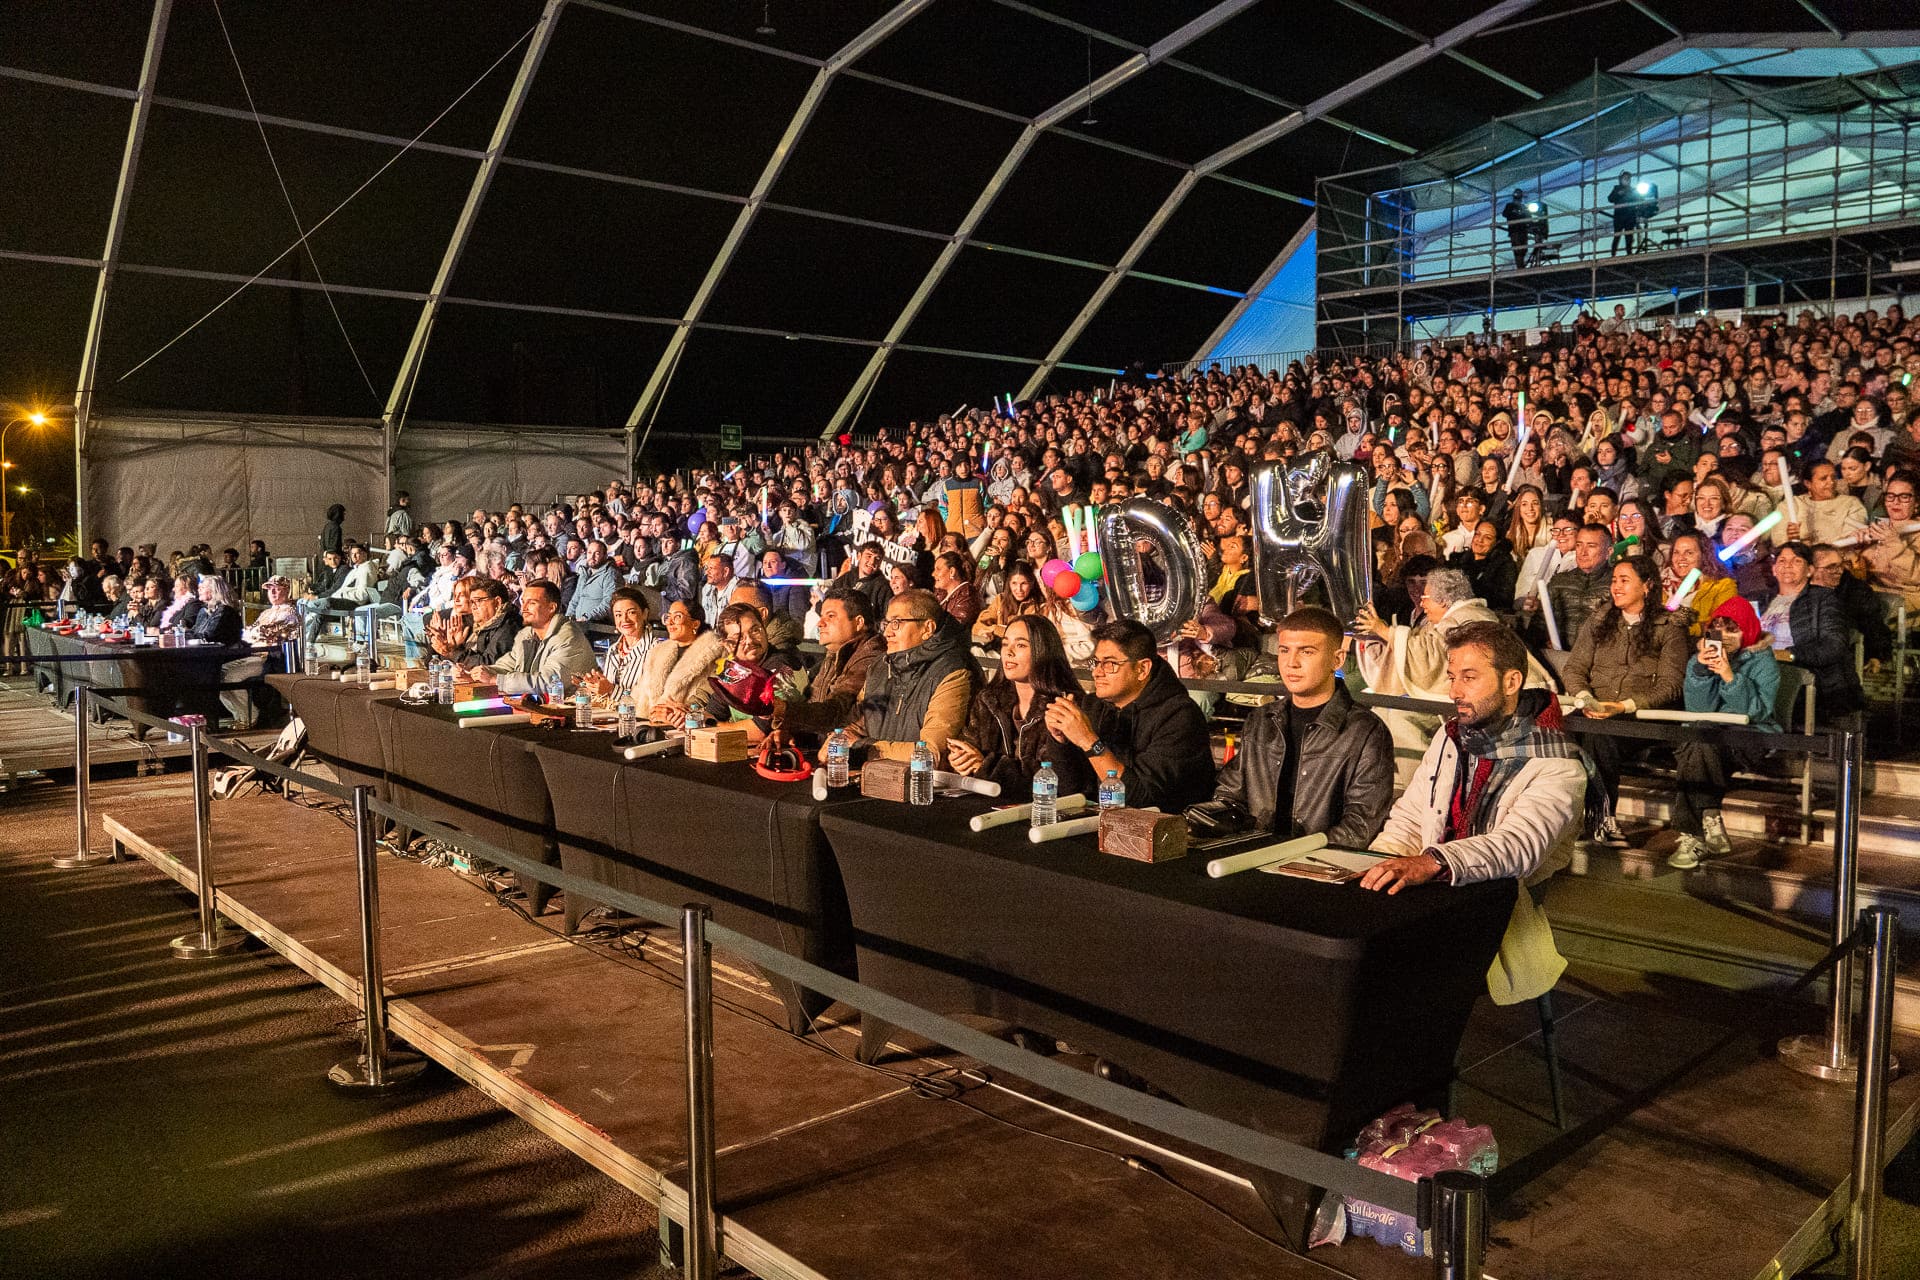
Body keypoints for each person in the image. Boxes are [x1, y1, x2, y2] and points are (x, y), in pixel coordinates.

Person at [1363, 621, 1589, 904]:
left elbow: (1519, 848)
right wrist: (1378, 868)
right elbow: (1409, 818)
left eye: (1469, 678)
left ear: (1511, 682)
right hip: (1430, 898)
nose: (1454, 692)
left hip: (1502, 914)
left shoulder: (1558, 763)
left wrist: (1433, 862)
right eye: (1452, 677)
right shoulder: (1450, 738)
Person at [1185, 607, 1394, 846]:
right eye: (1284, 650)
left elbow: (1360, 826)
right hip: (1253, 856)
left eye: (1307, 651)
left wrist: (1289, 852)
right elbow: (1230, 795)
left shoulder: (1365, 731)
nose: (1291, 663)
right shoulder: (1261, 720)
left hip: (1320, 865)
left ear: (1337, 659)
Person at [1562, 557, 1689, 843]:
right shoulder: (1599, 621)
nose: (1615, 586)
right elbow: (1574, 668)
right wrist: (1585, 698)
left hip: (1639, 716)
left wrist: (1623, 706)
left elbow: (1671, 686)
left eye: (1624, 580)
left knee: (1601, 736)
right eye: (1614, 580)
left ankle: (1601, 819)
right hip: (1592, 709)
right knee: (1556, 731)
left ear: (1646, 586)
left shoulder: (1669, 627)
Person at [1042, 618, 1215, 811]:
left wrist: (1089, 742)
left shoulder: (1180, 717)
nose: (1097, 672)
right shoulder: (1092, 706)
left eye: (1109, 664)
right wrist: (1061, 742)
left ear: (1142, 669)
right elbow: (1071, 792)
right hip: (1095, 826)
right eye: (1096, 662)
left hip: (1166, 832)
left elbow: (1142, 799)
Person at [1669, 598, 1779, 869]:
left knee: (1696, 744)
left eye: (1733, 630)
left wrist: (1730, 677)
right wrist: (1701, 673)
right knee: (1699, 739)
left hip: (1750, 736)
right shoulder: (1701, 660)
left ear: (1748, 631)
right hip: (1710, 737)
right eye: (1718, 629)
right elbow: (1698, 710)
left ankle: (1695, 831)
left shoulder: (1765, 662)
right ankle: (1705, 820)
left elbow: (1757, 712)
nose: (1725, 637)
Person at [947, 615, 1096, 801]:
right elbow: (971, 748)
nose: (1008, 652)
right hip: (989, 805)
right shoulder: (989, 699)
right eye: (1004, 644)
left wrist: (986, 766)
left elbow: (1053, 781)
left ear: (1042, 650)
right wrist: (961, 759)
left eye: (1020, 645)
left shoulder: (1065, 705)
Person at [840, 588, 980, 767]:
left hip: (924, 788)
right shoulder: (881, 667)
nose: (887, 633)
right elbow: (858, 722)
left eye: (897, 623)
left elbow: (930, 754)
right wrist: (838, 740)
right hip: (878, 780)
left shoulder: (953, 671)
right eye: (887, 623)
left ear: (927, 628)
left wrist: (863, 747)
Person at [1758, 542, 1863, 722]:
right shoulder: (1760, 600)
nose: (1788, 565)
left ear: (1809, 570)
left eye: (1796, 561)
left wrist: (1788, 655)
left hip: (1802, 671)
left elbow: (1833, 645)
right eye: (1782, 560)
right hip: (1760, 667)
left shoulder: (1823, 599)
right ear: (1774, 570)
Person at [773, 585, 885, 742]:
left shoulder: (870, 656)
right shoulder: (835, 652)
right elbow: (815, 704)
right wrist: (790, 732)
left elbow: (836, 711)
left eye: (830, 616)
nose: (820, 623)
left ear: (858, 622)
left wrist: (784, 710)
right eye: (821, 616)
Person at [464, 579, 596, 697]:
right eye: (523, 602)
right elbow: (508, 665)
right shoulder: (527, 634)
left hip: (574, 712)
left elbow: (548, 683)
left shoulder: (568, 638)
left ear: (551, 608)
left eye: (532, 603)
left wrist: (495, 680)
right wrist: (479, 673)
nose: (524, 608)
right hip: (541, 707)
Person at [636, 598, 727, 720]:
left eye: (677, 616)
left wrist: (678, 714)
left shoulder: (715, 652)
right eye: (668, 617)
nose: (670, 622)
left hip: (687, 727)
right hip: (649, 725)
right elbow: (639, 695)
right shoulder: (657, 653)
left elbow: (711, 697)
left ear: (695, 623)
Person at [579, 586, 653, 705]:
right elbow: (607, 696)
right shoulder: (613, 650)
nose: (624, 619)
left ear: (645, 613)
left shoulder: (656, 651)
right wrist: (594, 687)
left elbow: (650, 702)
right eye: (618, 615)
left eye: (631, 612)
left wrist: (612, 690)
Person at [1662, 531, 1736, 639]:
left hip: (1699, 647)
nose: (1681, 558)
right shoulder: (1661, 583)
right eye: (1676, 552)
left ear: (1704, 555)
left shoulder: (1723, 586)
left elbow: (1722, 629)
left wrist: (1684, 628)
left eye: (1689, 553)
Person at [457, 577, 521, 667]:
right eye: (472, 602)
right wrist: (452, 646)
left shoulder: (508, 626)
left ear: (497, 602)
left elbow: (488, 665)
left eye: (478, 601)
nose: (473, 607)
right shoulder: (481, 625)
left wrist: (453, 652)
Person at [186, 575, 243, 645]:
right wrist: (176, 634)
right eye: (199, 588)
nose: (199, 590)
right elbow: (194, 631)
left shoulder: (225, 611)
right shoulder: (204, 610)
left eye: (203, 587)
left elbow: (209, 635)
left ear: (214, 591)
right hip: (206, 650)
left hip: (222, 652)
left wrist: (184, 636)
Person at [1607, 171, 1640, 256]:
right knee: (1617, 235)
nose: (1627, 180)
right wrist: (1618, 194)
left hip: (1630, 216)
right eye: (1625, 178)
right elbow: (1610, 199)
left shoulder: (1632, 190)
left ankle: (1629, 253)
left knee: (1629, 236)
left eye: (1628, 178)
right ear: (1621, 179)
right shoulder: (1617, 188)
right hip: (1619, 216)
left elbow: (1638, 200)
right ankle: (1613, 254)